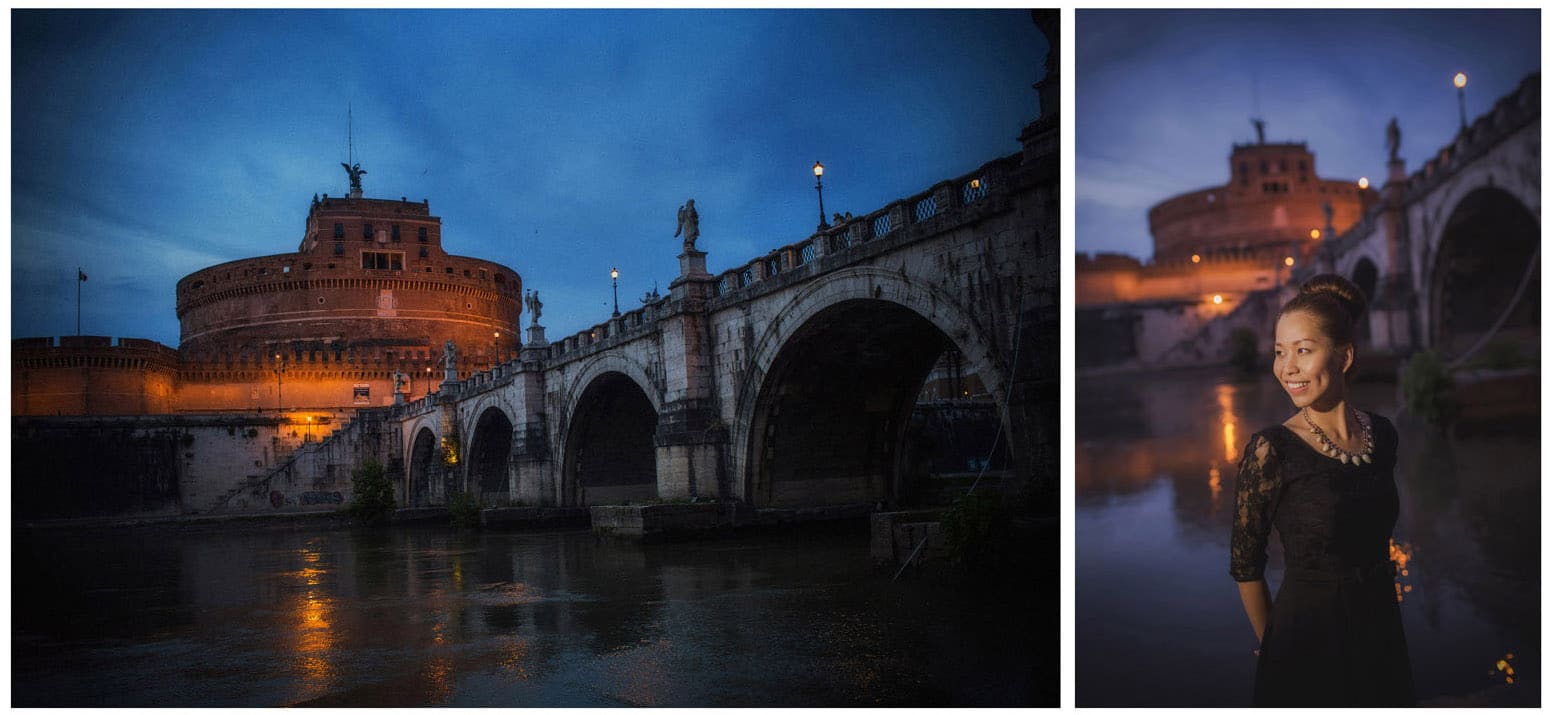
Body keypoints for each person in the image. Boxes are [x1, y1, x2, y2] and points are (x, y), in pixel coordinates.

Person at [1230, 274, 1414, 706]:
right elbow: (1246, 565)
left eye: (1303, 351)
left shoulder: (1382, 435)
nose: (1286, 367)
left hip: (1381, 629)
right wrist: (1275, 648)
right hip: (1306, 638)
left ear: (1344, 356)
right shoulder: (1270, 450)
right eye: (1279, 352)